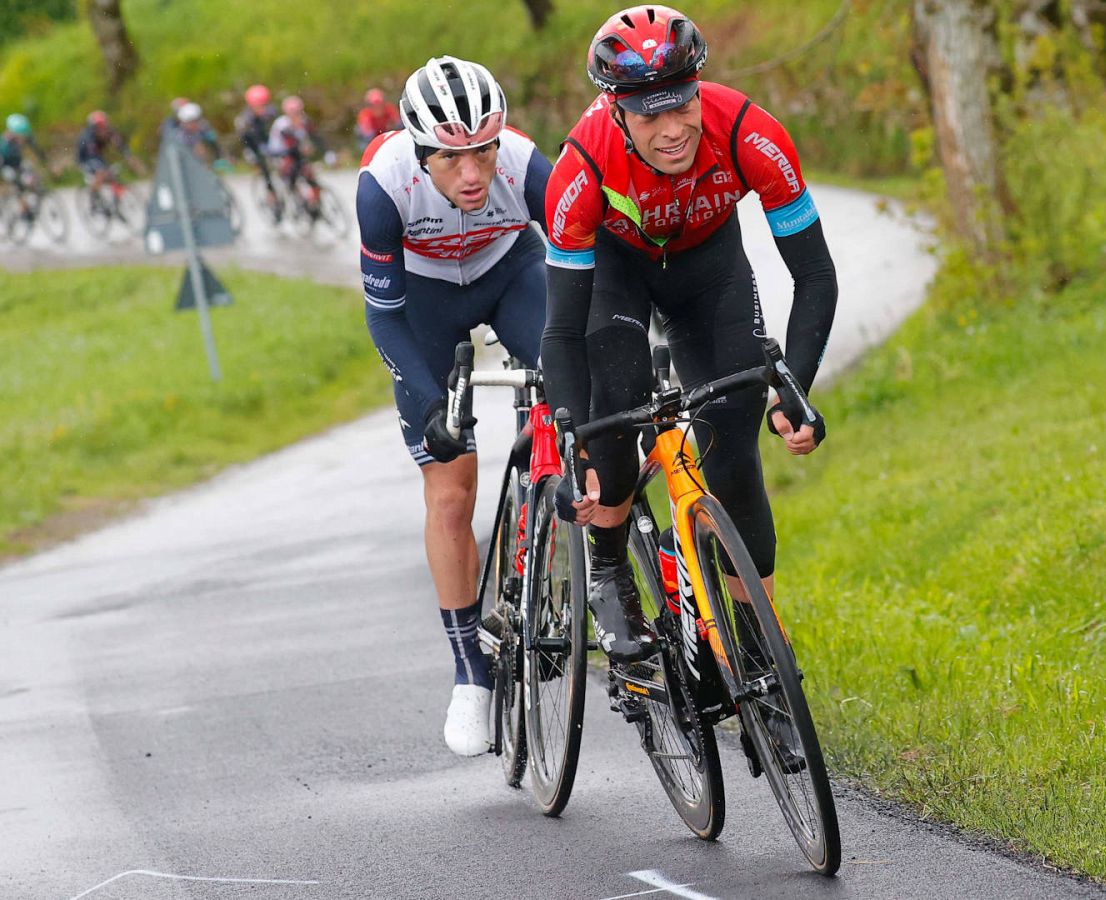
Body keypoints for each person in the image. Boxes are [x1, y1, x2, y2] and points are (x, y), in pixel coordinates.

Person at [541, 6, 838, 665]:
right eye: (650, 114)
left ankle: (755, 634)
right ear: (616, 109)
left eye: (682, 106)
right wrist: (574, 438)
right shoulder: (581, 166)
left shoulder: (749, 132)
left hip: (710, 272)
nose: (672, 130)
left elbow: (815, 274)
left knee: (733, 436)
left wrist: (796, 388)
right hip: (617, 278)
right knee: (615, 416)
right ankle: (613, 570)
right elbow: (562, 329)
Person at [357, 55, 554, 756]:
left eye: (483, 152)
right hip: (426, 302)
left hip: (511, 273)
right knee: (450, 491)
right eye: (450, 159)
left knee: (575, 390)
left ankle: (576, 556)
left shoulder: (528, 165)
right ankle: (470, 672)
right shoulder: (383, 186)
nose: (472, 175)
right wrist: (436, 402)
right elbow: (384, 320)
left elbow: (589, 264)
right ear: (419, 152)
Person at [267, 95, 324, 210]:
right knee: (291, 174)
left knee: (309, 175)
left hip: (295, 151)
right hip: (280, 152)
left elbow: (315, 137)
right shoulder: (281, 125)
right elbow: (285, 145)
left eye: (299, 112)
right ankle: (295, 199)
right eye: (294, 113)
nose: (297, 115)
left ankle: (314, 202)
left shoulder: (305, 121)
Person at [235, 85, 281, 221]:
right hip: (253, 147)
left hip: (269, 143)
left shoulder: (272, 112)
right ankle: (272, 198)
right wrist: (252, 153)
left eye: (264, 105)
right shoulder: (245, 119)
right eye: (258, 106)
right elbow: (245, 140)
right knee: (266, 171)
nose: (261, 108)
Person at [76, 110, 142, 200]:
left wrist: (129, 157)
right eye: (99, 127)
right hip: (86, 159)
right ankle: (94, 195)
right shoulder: (87, 138)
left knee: (114, 175)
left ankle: (116, 201)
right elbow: (91, 156)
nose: (103, 129)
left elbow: (120, 145)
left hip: (99, 158)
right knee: (102, 172)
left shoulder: (109, 132)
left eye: (104, 126)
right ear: (93, 128)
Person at [1, 113, 55, 220]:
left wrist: (49, 166)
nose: (22, 137)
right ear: (12, 132)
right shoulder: (4, 142)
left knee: (32, 175)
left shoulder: (26, 137)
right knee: (17, 183)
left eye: (24, 134)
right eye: (20, 134)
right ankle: (23, 210)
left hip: (18, 163)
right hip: (5, 165)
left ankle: (33, 195)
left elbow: (38, 152)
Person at [174, 101, 229, 169]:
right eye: (191, 122)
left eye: (196, 120)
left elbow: (215, 142)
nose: (195, 124)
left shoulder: (204, 127)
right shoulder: (181, 135)